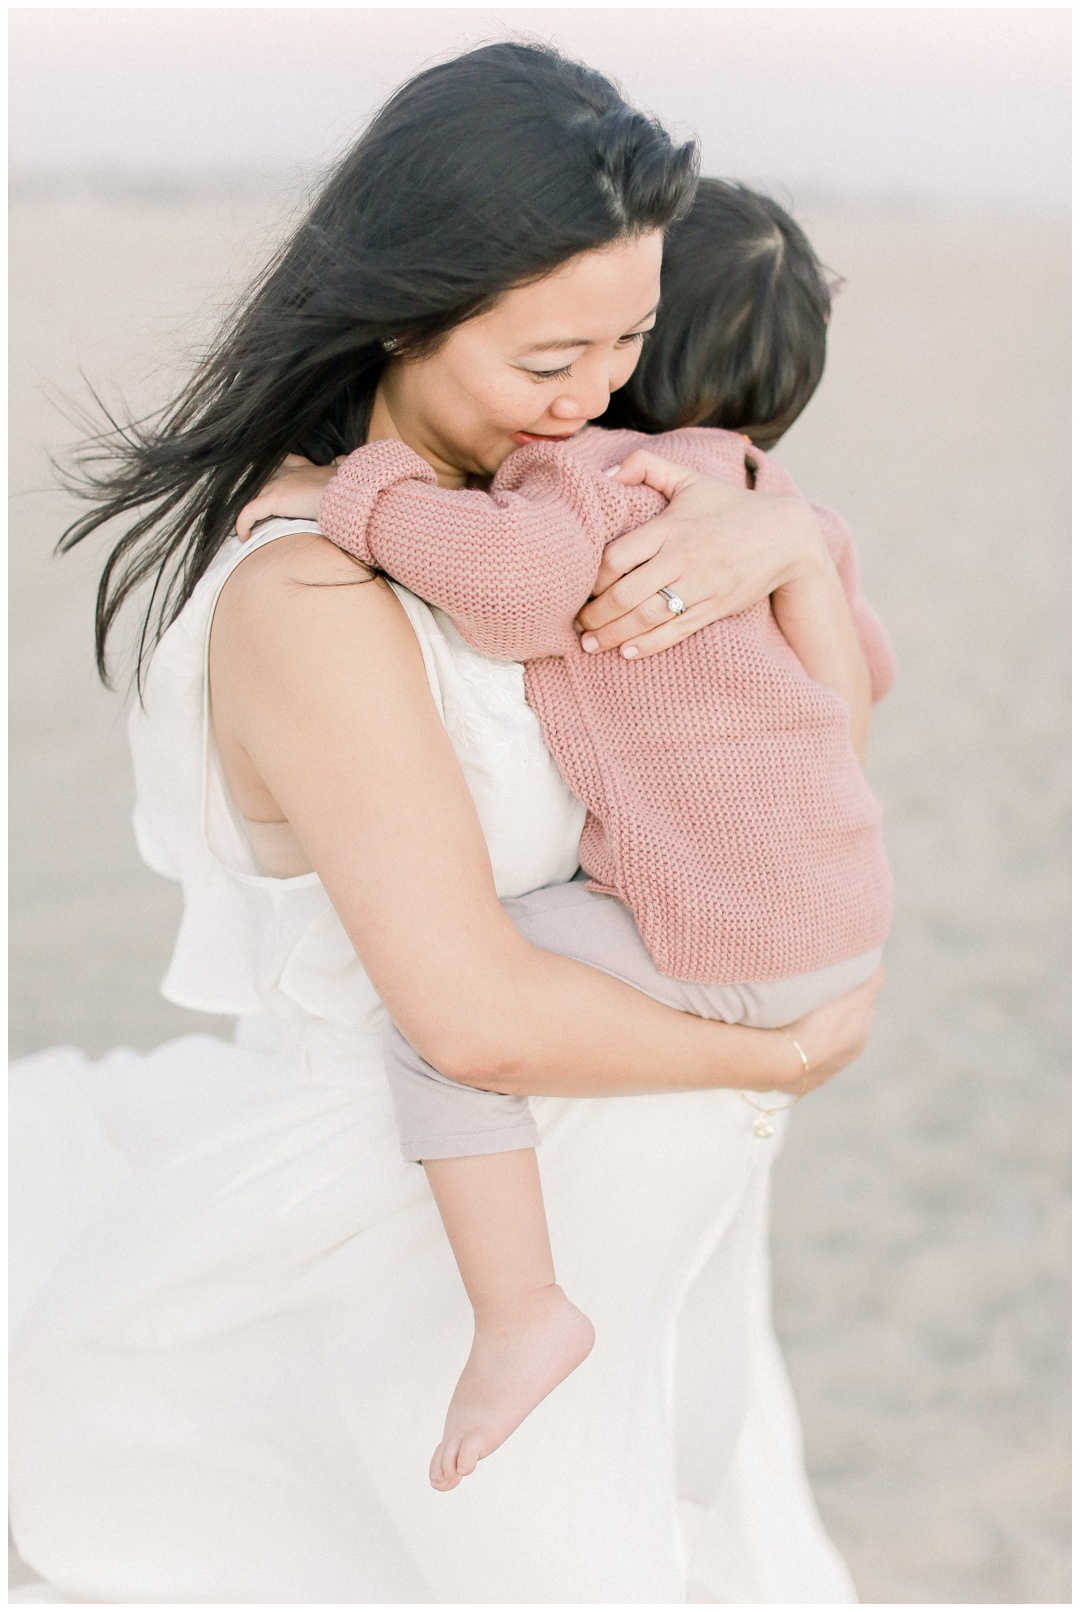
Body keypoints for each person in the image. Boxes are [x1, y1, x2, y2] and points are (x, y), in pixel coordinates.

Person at [10, 45, 880, 1603]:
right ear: (405, 308)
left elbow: (815, 767)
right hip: (431, 1266)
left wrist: (788, 535)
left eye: (631, 336)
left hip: (648, 1249)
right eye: (552, 355)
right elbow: (468, 1011)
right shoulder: (313, 591)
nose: (604, 393)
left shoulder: (552, 495)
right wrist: (784, 1056)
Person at [236, 178, 894, 1493]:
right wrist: (805, 551)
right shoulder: (766, 495)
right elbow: (857, 690)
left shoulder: (595, 483)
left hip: (720, 937)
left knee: (448, 1033)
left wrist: (352, 491)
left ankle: (524, 1306)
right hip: (839, 915)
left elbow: (508, 585)